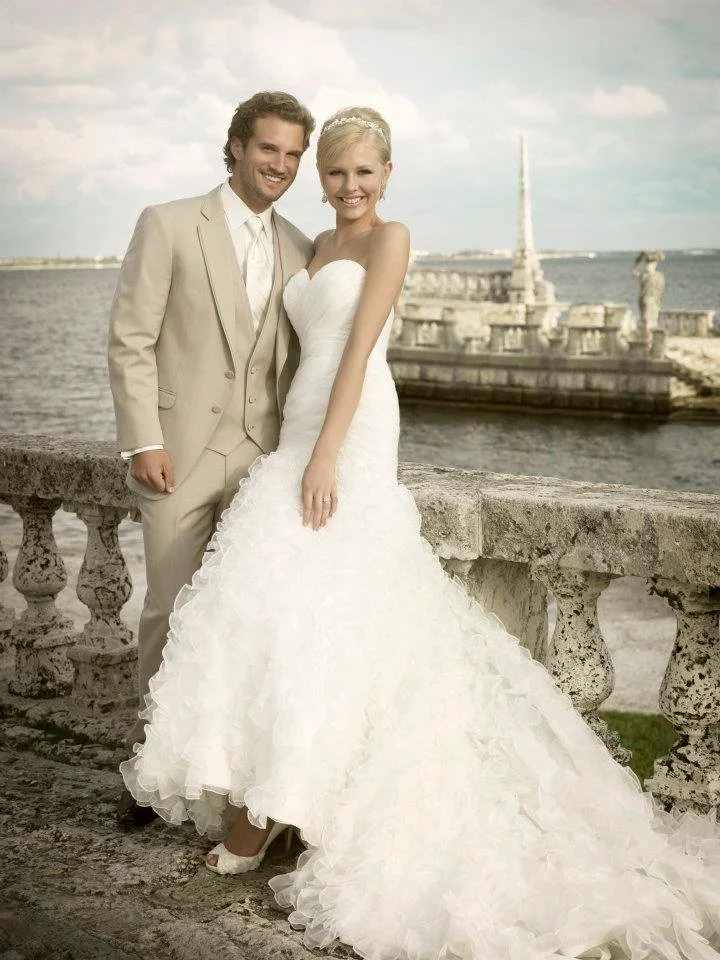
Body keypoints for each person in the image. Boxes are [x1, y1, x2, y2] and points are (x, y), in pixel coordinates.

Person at [121, 108, 720, 960]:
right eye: (334, 173)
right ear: (316, 177)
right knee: (280, 609)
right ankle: (271, 795)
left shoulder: (389, 240)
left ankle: (266, 817)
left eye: (363, 172)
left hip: (349, 428)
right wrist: (292, 440)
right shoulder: (311, 247)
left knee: (321, 598)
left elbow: (359, 353)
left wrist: (324, 455)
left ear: (388, 173)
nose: (349, 185)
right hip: (297, 425)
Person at [108, 91, 315, 828]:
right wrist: (145, 440)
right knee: (169, 609)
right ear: (234, 146)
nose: (281, 166)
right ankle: (147, 773)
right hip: (180, 455)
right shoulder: (167, 224)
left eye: (294, 155)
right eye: (269, 150)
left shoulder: (300, 244)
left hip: (264, 461)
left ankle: (227, 784)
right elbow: (131, 337)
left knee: (244, 622)